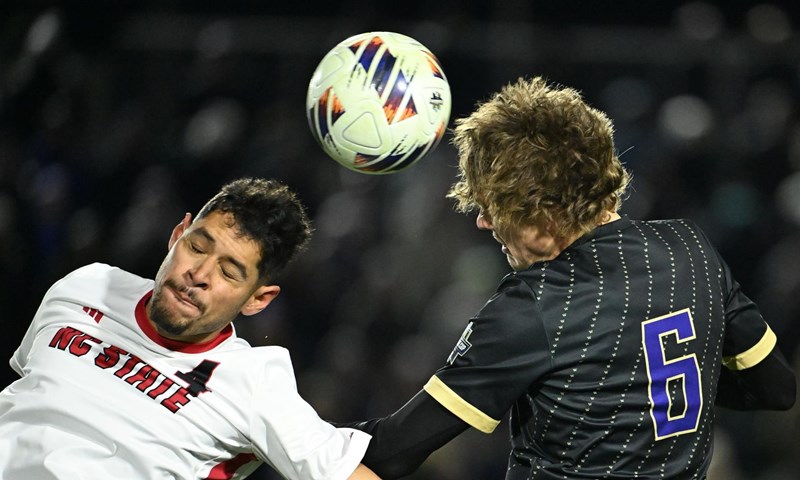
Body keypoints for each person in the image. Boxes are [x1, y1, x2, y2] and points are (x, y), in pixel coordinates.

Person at [339, 77, 797, 479]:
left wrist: (279, 431)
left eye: (493, 206)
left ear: (543, 214)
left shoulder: (534, 305)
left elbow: (393, 453)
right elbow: (777, 388)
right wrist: (655, 387)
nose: (483, 222)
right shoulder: (690, 248)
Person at [0, 177, 380, 480]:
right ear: (176, 234)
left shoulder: (254, 384)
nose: (198, 275)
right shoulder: (85, 287)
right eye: (197, 247)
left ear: (257, 300)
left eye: (229, 272)